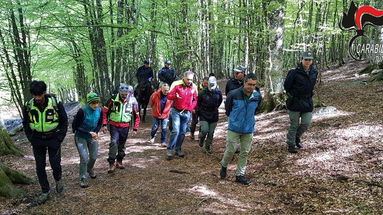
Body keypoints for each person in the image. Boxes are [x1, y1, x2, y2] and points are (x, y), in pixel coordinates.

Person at [22, 80, 68, 204]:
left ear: (44, 93)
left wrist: (60, 138)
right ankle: (45, 191)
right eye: (35, 95)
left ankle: (58, 179)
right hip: (37, 139)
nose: (37, 98)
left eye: (40, 95)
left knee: (55, 164)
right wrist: (30, 138)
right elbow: (25, 123)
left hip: (53, 138)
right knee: (40, 166)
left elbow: (64, 121)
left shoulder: (55, 103)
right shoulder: (28, 105)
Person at [219, 73, 261, 185]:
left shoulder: (257, 95)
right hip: (234, 127)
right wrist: (235, 119)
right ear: (244, 82)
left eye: (253, 85)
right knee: (231, 150)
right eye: (249, 84)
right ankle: (224, 165)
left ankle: (240, 174)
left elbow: (256, 109)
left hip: (249, 128)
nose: (251, 87)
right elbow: (228, 110)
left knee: (245, 152)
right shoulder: (233, 94)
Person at [284, 51, 318, 153]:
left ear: (312, 61)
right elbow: (286, 86)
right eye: (306, 59)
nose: (308, 61)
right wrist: (292, 95)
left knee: (306, 123)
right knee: (294, 124)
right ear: (301, 60)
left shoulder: (314, 72)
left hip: (307, 101)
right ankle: (291, 144)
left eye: (309, 59)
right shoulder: (294, 72)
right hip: (295, 101)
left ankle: (296, 138)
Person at [102, 83, 140, 173]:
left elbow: (137, 115)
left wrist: (135, 128)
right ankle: (111, 163)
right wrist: (104, 124)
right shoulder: (112, 99)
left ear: (129, 93)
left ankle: (119, 161)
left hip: (125, 126)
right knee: (114, 143)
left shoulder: (133, 101)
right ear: (119, 92)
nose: (124, 96)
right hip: (113, 125)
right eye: (122, 94)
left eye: (126, 94)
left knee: (122, 144)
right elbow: (105, 111)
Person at [72, 92, 103, 188]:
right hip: (81, 136)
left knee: (93, 157)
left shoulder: (100, 110)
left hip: (92, 136)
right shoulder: (82, 111)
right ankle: (83, 178)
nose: (95, 105)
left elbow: (99, 123)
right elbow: (75, 126)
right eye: (93, 103)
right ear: (89, 103)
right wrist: (88, 132)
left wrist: (96, 132)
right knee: (84, 158)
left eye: (97, 102)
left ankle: (89, 169)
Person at [166, 71, 198, 159]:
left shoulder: (193, 87)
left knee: (183, 132)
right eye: (188, 79)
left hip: (186, 112)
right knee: (175, 130)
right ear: (183, 78)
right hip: (176, 111)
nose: (189, 81)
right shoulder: (177, 86)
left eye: (191, 79)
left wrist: (191, 108)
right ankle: (170, 149)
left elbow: (195, 99)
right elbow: (169, 96)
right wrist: (175, 96)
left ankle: (178, 149)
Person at [197, 76, 223, 154]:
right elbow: (198, 103)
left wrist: (214, 108)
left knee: (211, 132)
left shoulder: (218, 92)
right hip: (204, 114)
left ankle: (207, 148)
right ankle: (201, 139)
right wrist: (200, 111)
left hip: (214, 114)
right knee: (204, 130)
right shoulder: (202, 92)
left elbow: (220, 101)